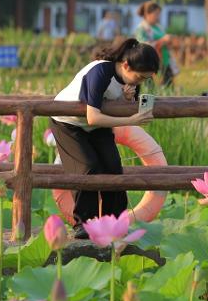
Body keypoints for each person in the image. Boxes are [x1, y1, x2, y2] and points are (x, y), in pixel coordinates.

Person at [50, 38, 159, 239]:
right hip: (68, 123)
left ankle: (114, 222)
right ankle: (84, 223)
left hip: (97, 125)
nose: (141, 82)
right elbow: (92, 116)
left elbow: (112, 106)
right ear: (126, 65)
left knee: (113, 167)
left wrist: (127, 100)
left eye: (146, 79)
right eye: (140, 77)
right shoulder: (100, 72)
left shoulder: (130, 81)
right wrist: (131, 119)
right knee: (88, 167)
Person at [134, 1, 178, 87]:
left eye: (159, 14)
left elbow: (165, 42)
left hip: (164, 59)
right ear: (147, 14)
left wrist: (169, 41)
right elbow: (142, 46)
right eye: (156, 14)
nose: (158, 17)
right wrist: (162, 41)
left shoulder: (158, 27)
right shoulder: (141, 28)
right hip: (150, 61)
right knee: (150, 87)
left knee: (168, 85)